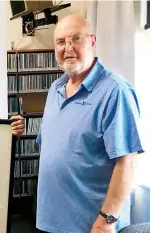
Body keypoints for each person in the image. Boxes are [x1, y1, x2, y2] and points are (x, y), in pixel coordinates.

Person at [35, 14, 144, 233]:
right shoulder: (55, 89)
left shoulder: (114, 91)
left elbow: (127, 162)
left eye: (76, 38)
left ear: (92, 42)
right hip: (52, 221)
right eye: (60, 42)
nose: (68, 48)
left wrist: (107, 220)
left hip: (91, 225)